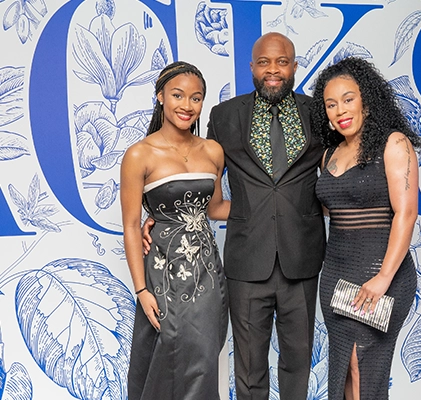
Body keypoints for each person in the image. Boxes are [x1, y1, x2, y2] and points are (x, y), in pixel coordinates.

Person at [143, 32, 326, 399]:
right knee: (248, 366)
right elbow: (196, 170)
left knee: (298, 362)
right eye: (264, 62)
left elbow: (340, 171)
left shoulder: (318, 113)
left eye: (282, 62)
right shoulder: (224, 116)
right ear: (251, 67)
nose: (273, 70)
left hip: (302, 257)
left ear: (294, 66)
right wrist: (166, 216)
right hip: (246, 261)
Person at [310, 57, 421, 400]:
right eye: (331, 104)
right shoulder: (328, 154)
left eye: (348, 99)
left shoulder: (394, 144)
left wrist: (384, 278)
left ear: (367, 101)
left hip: (380, 274)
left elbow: (406, 214)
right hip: (336, 276)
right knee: (344, 367)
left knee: (364, 363)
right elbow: (334, 208)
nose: (340, 110)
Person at [121, 61, 229, 400]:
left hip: (207, 276)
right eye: (178, 95)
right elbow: (129, 226)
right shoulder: (139, 154)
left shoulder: (213, 151)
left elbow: (215, 209)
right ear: (160, 97)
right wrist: (141, 290)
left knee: (203, 359)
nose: (187, 105)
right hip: (163, 274)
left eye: (196, 98)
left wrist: (271, 207)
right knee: (165, 356)